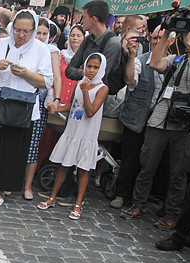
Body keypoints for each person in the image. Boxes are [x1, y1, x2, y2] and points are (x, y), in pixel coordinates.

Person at [121, 23, 190, 228]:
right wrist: (167, 34)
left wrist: (188, 43)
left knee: (178, 173)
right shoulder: (177, 59)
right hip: (161, 118)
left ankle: (172, 213)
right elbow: (155, 63)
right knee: (147, 165)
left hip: (188, 123)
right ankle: (138, 202)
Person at [0, 9, 53, 206]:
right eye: (17, 30)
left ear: (33, 31)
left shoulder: (41, 50)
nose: (21, 35)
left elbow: (46, 82)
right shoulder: (0, 44)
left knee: (11, 150)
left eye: (26, 31)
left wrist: (26, 74)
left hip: (20, 109)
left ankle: (0, 189)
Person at [38, 53, 109, 219]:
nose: (91, 70)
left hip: (87, 133)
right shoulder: (79, 83)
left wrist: (85, 90)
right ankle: (52, 197)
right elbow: (74, 105)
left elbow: (91, 111)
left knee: (83, 170)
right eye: (89, 66)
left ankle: (78, 203)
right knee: (64, 165)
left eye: (95, 67)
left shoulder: (102, 88)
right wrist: (59, 108)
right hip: (73, 129)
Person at [111, 29, 162, 210]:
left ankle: (143, 197)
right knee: (130, 158)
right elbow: (129, 79)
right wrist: (132, 56)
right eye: (155, 37)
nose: (157, 41)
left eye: (161, 38)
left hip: (159, 119)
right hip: (136, 118)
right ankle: (121, 193)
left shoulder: (173, 61)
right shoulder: (140, 60)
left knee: (150, 161)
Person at [23, 17, 62, 201]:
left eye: (44, 33)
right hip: (23, 99)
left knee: (32, 146)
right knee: (18, 140)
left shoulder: (51, 51)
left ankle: (28, 185)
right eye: (37, 32)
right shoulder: (25, 48)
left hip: (40, 101)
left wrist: (57, 99)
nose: (40, 36)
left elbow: (56, 78)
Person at [64, 1, 121, 85]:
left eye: (84, 17)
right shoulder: (88, 39)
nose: (82, 21)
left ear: (94, 19)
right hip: (82, 91)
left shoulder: (113, 43)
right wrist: (84, 73)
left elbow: (101, 76)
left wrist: (84, 73)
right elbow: (69, 70)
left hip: (99, 95)